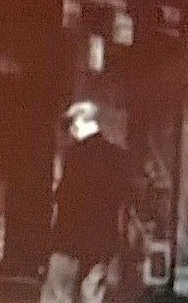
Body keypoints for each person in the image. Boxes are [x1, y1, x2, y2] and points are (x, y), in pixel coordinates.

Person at [41, 100, 135, 303]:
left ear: (79, 122)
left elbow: (64, 197)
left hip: (70, 240)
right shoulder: (118, 156)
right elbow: (123, 200)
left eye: (70, 124)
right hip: (103, 242)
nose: (69, 131)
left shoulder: (75, 155)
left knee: (59, 295)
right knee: (93, 296)